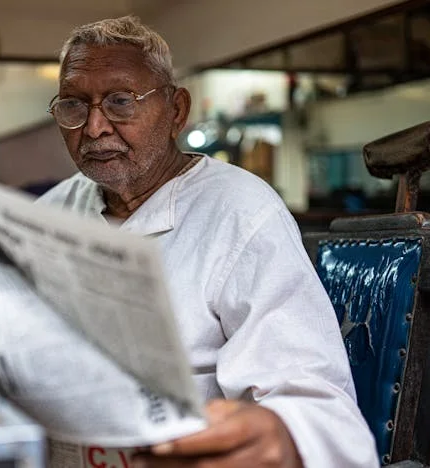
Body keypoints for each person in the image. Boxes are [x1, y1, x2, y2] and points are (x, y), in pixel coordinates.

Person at [38, 16, 378, 468]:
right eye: (74, 105)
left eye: (121, 102)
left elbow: (318, 409)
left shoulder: (242, 213)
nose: (96, 126)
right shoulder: (51, 211)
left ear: (177, 111)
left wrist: (280, 435)